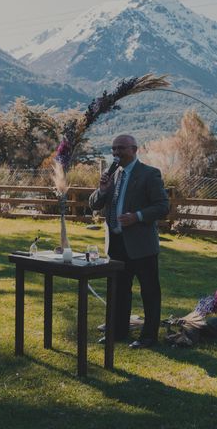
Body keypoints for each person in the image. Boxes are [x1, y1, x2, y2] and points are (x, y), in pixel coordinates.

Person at [89, 134, 169, 349]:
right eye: (114, 149)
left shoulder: (149, 174)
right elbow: (94, 205)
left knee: (149, 292)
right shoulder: (112, 174)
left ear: (134, 150)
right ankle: (118, 332)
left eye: (121, 148)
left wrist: (138, 216)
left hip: (141, 246)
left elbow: (162, 207)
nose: (116, 153)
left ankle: (148, 337)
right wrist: (102, 190)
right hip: (116, 244)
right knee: (118, 291)